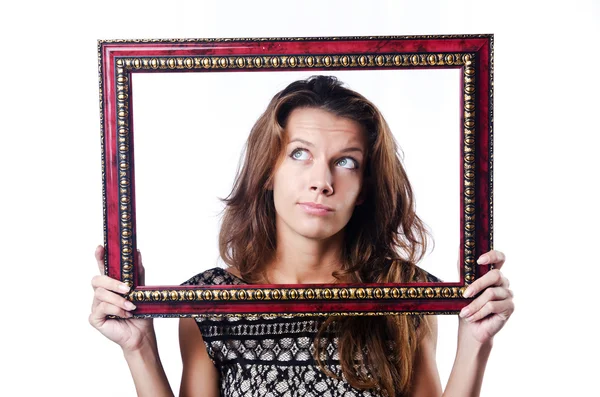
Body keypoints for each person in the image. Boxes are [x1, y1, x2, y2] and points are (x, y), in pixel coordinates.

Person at [90, 75, 514, 396]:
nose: (321, 181)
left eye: (345, 162)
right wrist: (140, 347)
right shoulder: (212, 303)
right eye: (300, 154)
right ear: (269, 171)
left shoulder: (403, 291)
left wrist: (476, 344)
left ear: (365, 186)